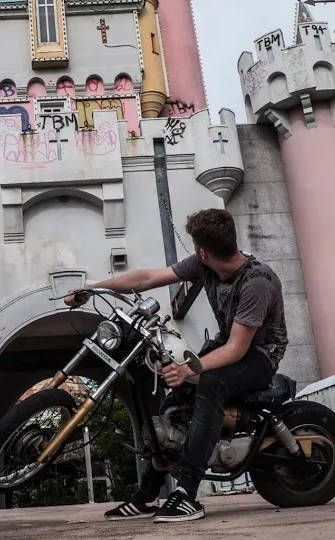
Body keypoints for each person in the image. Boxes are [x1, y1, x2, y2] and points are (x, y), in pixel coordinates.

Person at [63, 208, 288, 523]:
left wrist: (191, 369)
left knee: (210, 384)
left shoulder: (257, 282)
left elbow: (238, 349)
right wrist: (94, 287)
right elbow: (147, 278)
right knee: (174, 401)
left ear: (202, 250)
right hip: (227, 345)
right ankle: (147, 496)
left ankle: (187, 492)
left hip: (261, 354)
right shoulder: (203, 264)